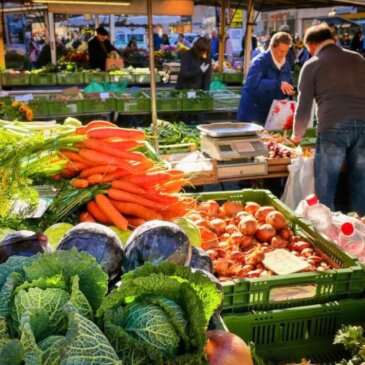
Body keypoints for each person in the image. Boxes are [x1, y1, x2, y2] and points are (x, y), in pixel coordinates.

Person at [291, 23, 365, 215]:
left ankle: (326, 234)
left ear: (312, 45)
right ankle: (360, 232)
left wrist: (297, 135)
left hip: (333, 127)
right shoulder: (357, 59)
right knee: (360, 183)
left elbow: (304, 106)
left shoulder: (312, 64)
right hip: (363, 124)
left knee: (326, 185)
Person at [237, 32, 295, 125]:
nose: (283, 54)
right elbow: (253, 86)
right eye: (281, 51)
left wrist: (290, 90)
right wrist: (278, 84)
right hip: (253, 115)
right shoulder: (259, 62)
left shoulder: (286, 65)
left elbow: (288, 83)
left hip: (272, 114)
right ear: (272, 47)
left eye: (286, 51)